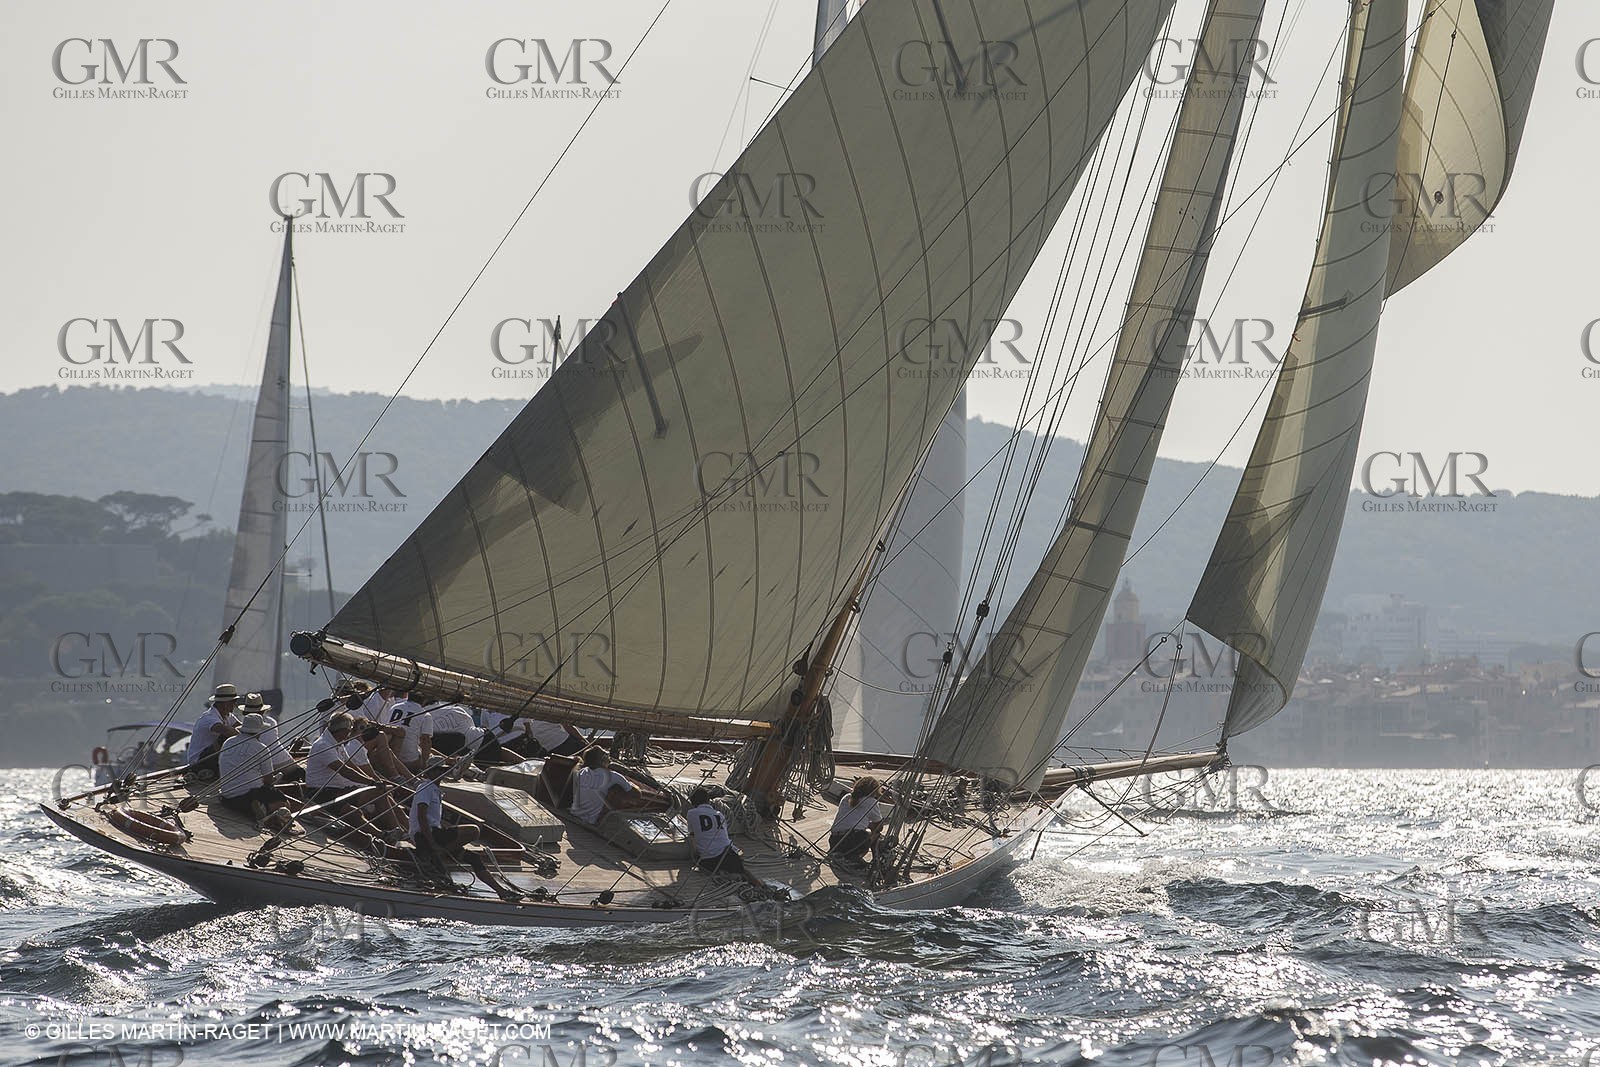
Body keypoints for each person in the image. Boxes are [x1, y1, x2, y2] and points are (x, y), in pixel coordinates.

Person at [304, 712, 405, 840]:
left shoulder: (337, 742)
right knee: (353, 812)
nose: (350, 733)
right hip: (322, 792)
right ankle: (383, 835)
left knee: (380, 792)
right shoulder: (323, 745)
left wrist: (372, 782)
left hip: (339, 789)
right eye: (349, 730)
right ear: (343, 730)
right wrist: (370, 782)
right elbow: (344, 770)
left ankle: (397, 831)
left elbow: (350, 765)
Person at [216, 712, 292, 831]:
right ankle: (265, 809)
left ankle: (254, 807)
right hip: (250, 794)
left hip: (227, 796)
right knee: (284, 803)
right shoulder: (261, 748)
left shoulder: (228, 742)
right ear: (259, 731)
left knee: (243, 796)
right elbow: (268, 780)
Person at [685, 786, 764, 888]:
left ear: (693, 802)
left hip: (710, 859)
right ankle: (759, 885)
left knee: (722, 871)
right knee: (742, 871)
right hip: (728, 853)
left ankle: (728, 876)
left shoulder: (691, 813)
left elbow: (692, 838)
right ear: (708, 801)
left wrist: (695, 857)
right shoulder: (720, 815)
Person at [569, 747, 646, 824]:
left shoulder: (582, 772)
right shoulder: (613, 776)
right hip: (591, 820)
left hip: (575, 814)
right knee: (618, 789)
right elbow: (637, 795)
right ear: (602, 760)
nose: (609, 757)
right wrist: (631, 784)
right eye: (606, 755)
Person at [829, 775, 893, 865]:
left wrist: (864, 825)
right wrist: (869, 827)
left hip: (834, 841)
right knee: (874, 834)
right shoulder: (871, 802)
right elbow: (879, 826)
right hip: (852, 841)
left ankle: (846, 855)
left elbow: (850, 819)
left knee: (862, 832)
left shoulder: (846, 797)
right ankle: (873, 860)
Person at [186, 683, 240, 777]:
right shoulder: (209, 717)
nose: (235, 705)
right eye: (233, 702)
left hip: (211, 758)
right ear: (225, 704)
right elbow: (226, 731)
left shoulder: (228, 716)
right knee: (224, 738)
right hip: (199, 761)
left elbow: (241, 727)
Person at [385, 690, 433, 771]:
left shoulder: (395, 707)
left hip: (390, 753)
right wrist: (424, 764)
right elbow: (426, 741)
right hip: (408, 759)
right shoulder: (425, 715)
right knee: (433, 759)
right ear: (424, 700)